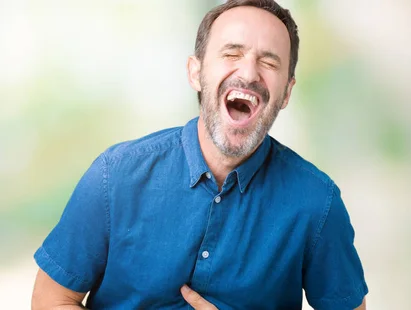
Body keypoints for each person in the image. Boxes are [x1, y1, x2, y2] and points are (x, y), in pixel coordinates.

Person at [31, 0, 368, 309]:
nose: (249, 73)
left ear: (286, 93)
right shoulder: (114, 175)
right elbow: (51, 300)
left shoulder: (317, 203)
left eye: (268, 61)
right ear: (196, 72)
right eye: (232, 53)